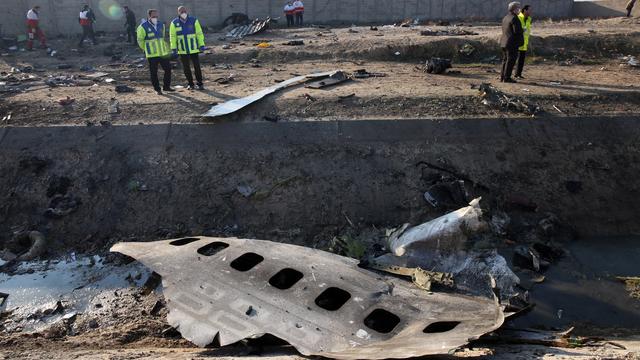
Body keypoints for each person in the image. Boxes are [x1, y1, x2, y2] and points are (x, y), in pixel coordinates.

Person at [137, 9, 173, 95]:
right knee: (154, 72)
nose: (155, 18)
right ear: (149, 16)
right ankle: (157, 89)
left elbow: (162, 37)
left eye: (156, 16)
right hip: (152, 55)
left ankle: (166, 87)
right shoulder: (143, 27)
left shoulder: (161, 25)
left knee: (168, 69)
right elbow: (140, 40)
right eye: (153, 16)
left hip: (163, 53)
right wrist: (146, 49)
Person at [169, 6, 206, 90]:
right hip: (182, 50)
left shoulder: (194, 20)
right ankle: (190, 84)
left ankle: (200, 83)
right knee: (186, 68)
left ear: (187, 11)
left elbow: (199, 33)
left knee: (197, 67)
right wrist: (173, 48)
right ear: (178, 12)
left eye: (184, 11)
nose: (183, 13)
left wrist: (201, 44)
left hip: (194, 48)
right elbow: (172, 36)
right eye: (181, 11)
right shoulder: (174, 23)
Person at [500, 2, 524, 83]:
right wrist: (522, 30)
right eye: (518, 8)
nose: (519, 10)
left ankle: (502, 77)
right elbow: (516, 31)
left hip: (504, 42)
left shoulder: (506, 17)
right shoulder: (514, 18)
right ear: (514, 9)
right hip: (512, 43)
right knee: (510, 61)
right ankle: (507, 78)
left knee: (505, 60)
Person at [515, 5, 532, 79]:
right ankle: (511, 74)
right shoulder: (518, 17)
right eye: (529, 10)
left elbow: (527, 31)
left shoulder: (529, 19)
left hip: (524, 43)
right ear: (525, 10)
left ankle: (518, 74)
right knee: (514, 59)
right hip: (517, 42)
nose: (531, 12)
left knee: (521, 60)